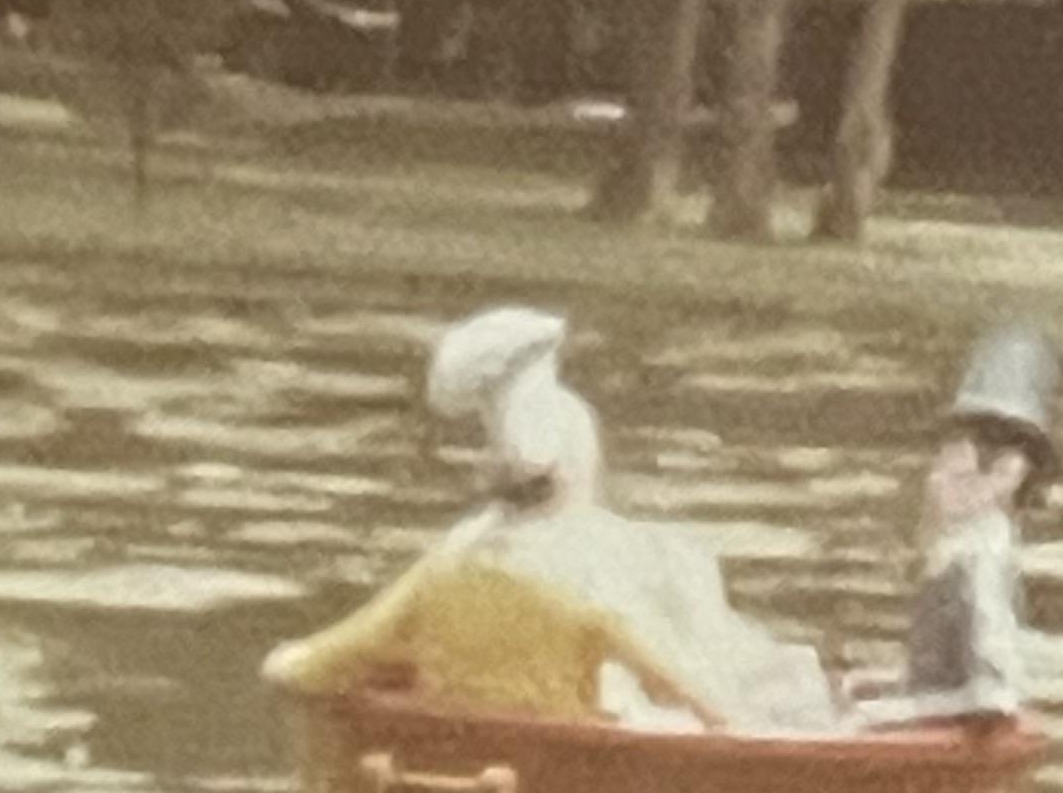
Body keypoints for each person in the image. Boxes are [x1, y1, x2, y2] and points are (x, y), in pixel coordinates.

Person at [265, 307, 834, 730]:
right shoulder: (635, 568)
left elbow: (308, 665)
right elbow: (707, 706)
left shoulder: (450, 566)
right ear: (577, 463)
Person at [894, 308, 1063, 718]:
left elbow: (993, 699)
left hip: (956, 737)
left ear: (1013, 477)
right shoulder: (954, 548)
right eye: (953, 448)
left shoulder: (978, 559)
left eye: (986, 454)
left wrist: (882, 715)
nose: (954, 468)